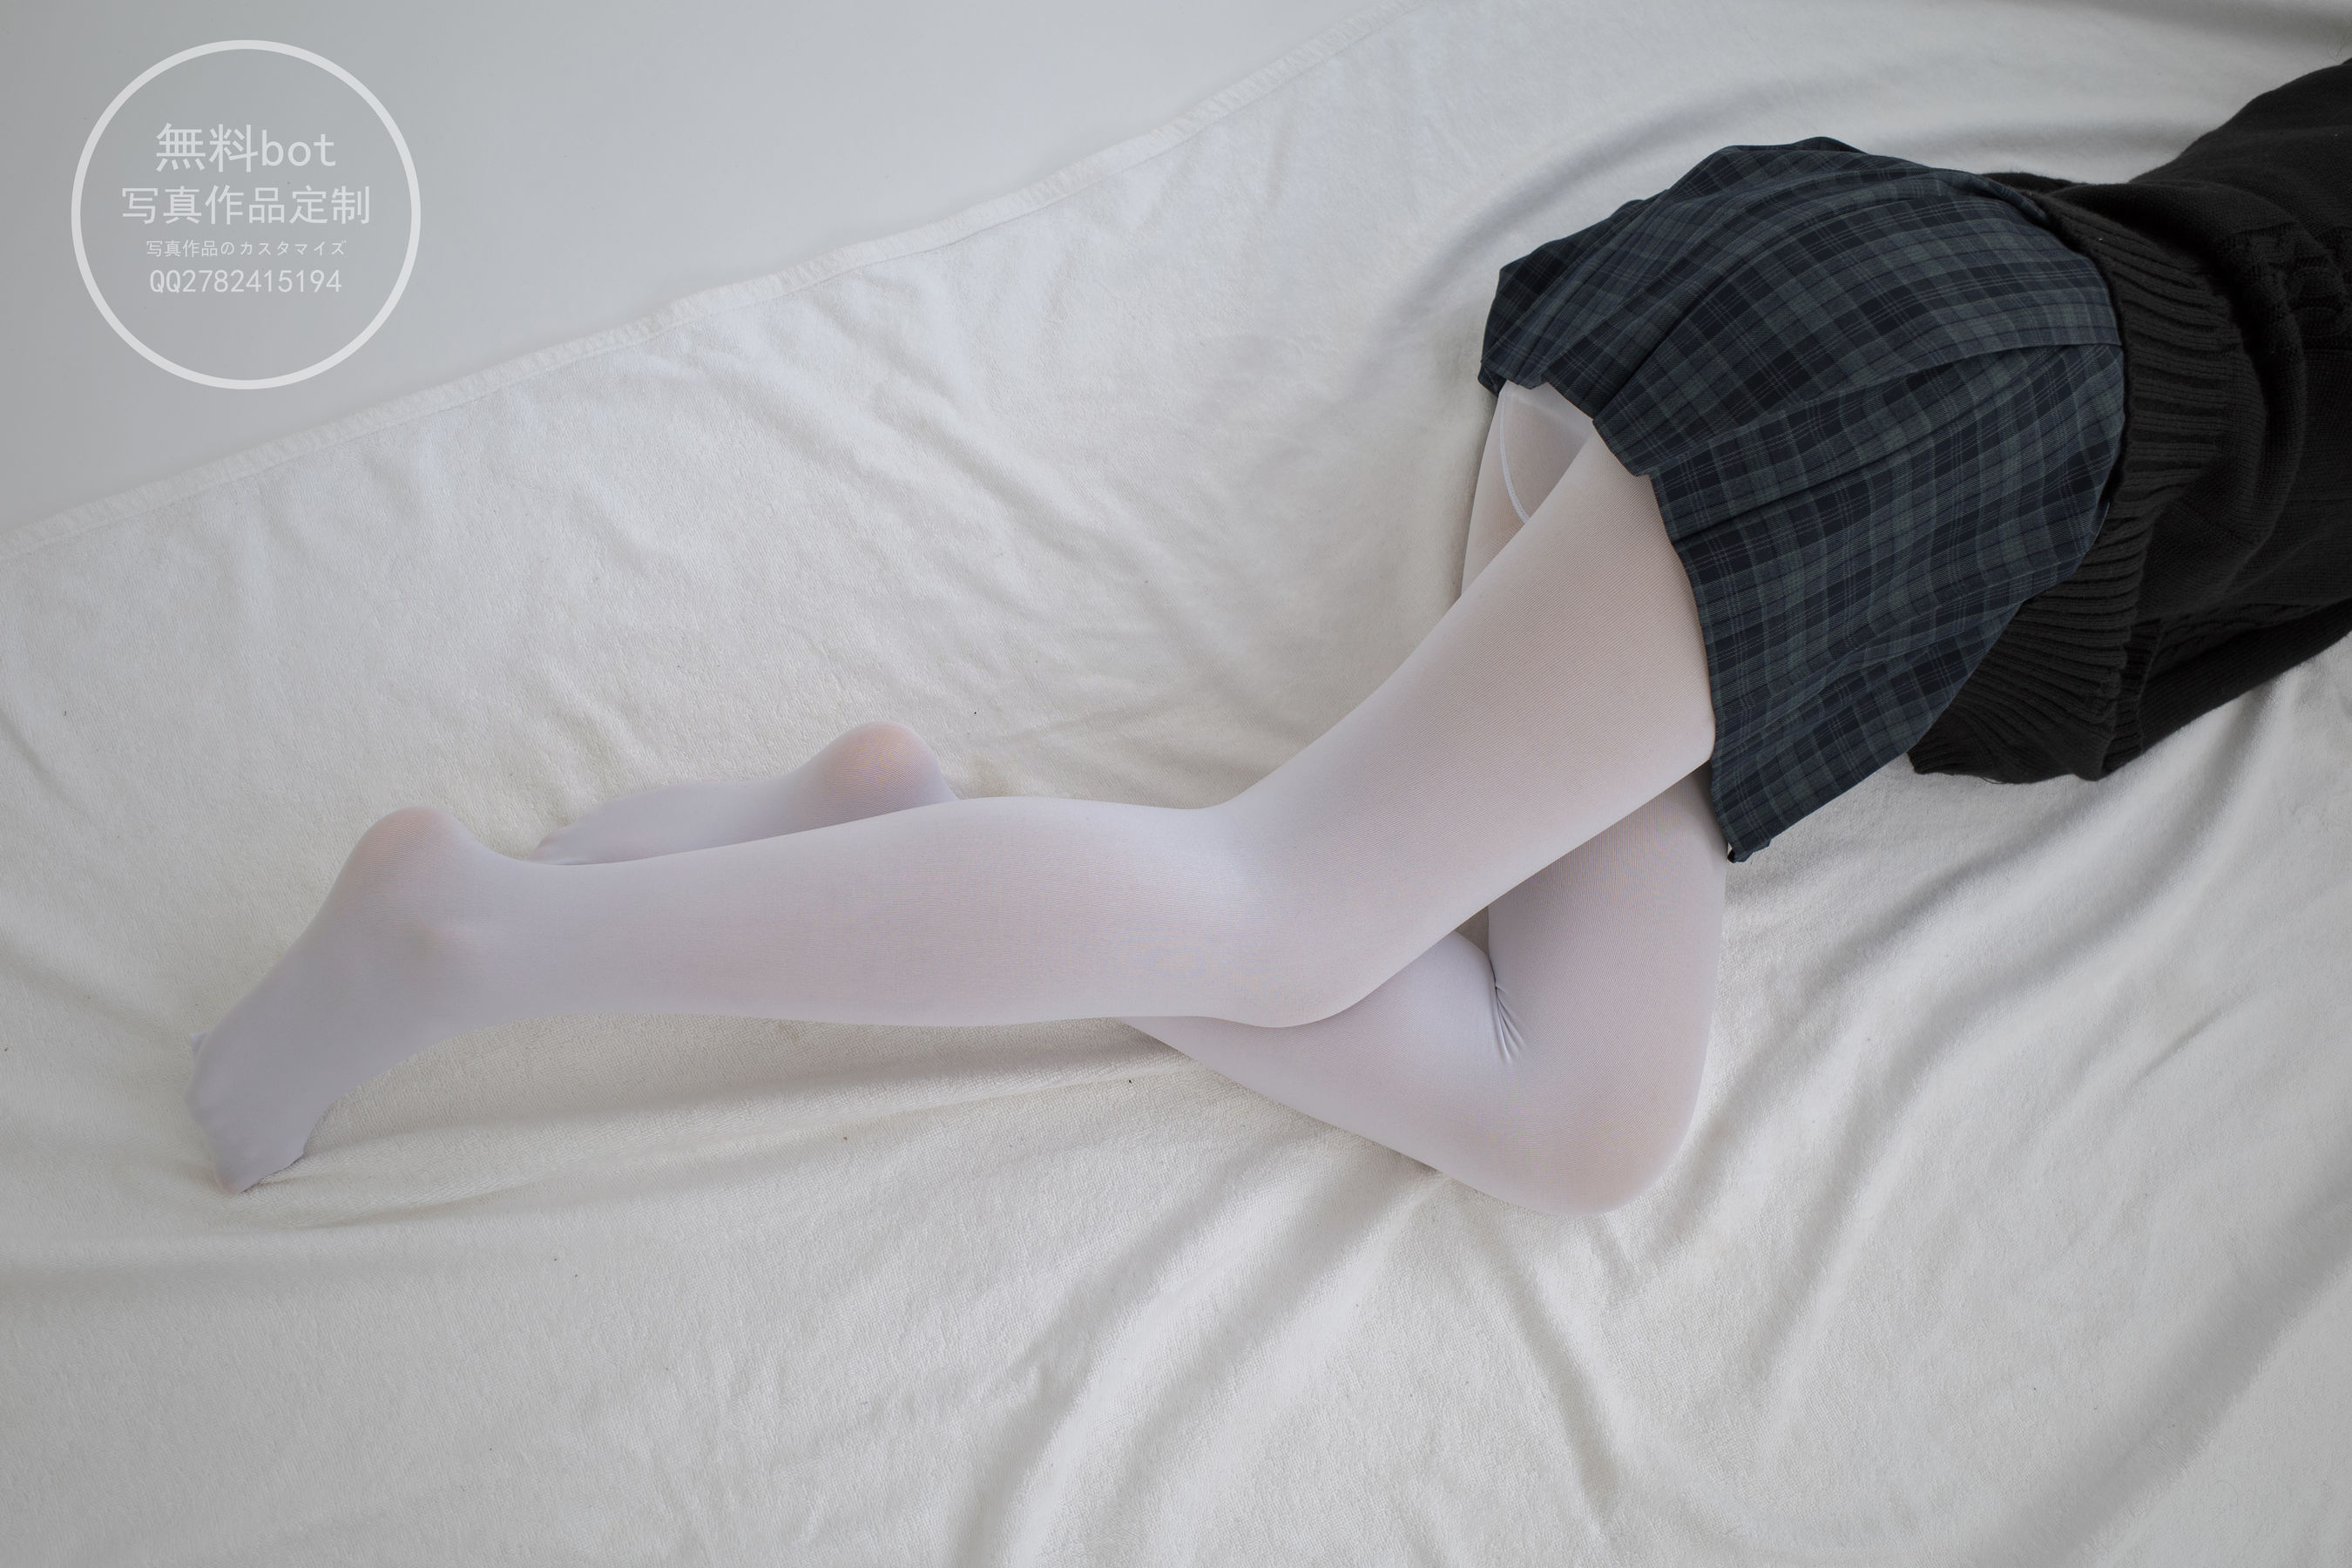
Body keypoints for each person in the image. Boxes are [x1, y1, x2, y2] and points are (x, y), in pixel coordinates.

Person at [185, 61, 2352, 1209]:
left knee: (1582, 1123)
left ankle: (889, 843)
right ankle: (472, 939)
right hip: (1956, 413)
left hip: (1850, 289)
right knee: (1291, 904)